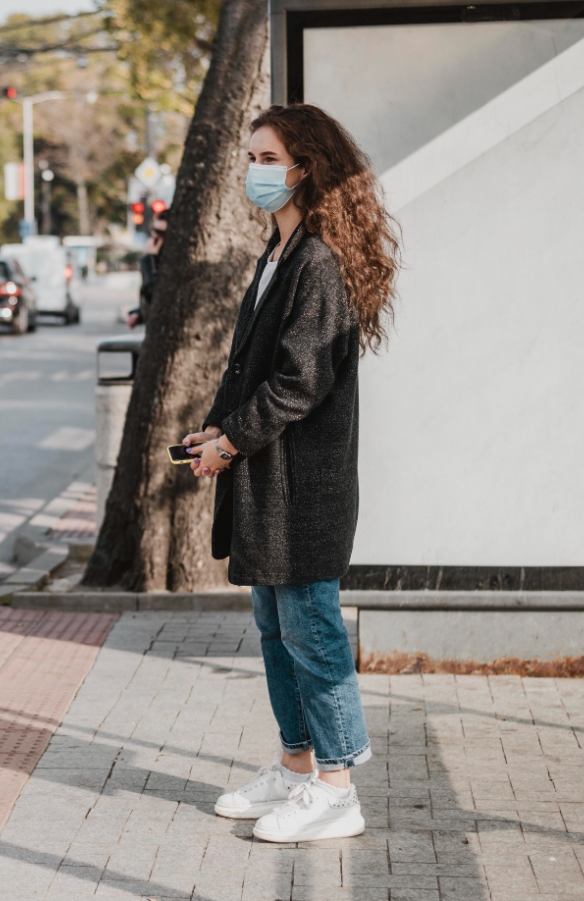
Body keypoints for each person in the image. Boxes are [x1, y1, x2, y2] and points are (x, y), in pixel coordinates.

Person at [181, 104, 399, 843]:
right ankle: (296, 766)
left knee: (312, 630)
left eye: (267, 158)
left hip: (303, 488)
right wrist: (215, 426)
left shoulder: (320, 262)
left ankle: (337, 786)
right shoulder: (278, 253)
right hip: (266, 483)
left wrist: (231, 443)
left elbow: (299, 382)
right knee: (277, 628)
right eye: (252, 157)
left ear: (306, 166)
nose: (254, 171)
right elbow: (250, 367)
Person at [126, 209, 167, 328]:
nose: (154, 237)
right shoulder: (154, 259)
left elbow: (156, 293)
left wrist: (149, 260)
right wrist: (138, 313)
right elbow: (151, 300)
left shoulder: (159, 262)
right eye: (153, 231)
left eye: (160, 233)